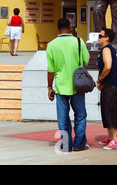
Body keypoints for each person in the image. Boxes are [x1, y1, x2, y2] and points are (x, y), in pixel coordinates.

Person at [46, 18, 90, 152]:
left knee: (63, 117)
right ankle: (79, 144)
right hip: (78, 84)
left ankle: (65, 144)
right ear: (70, 28)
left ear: (57, 28)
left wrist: (49, 87)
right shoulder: (78, 41)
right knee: (80, 115)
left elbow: (51, 70)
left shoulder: (51, 45)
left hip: (60, 86)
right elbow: (86, 61)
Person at [96, 28, 117, 150]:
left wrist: (100, 79)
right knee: (106, 110)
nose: (98, 38)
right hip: (108, 85)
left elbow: (107, 67)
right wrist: (100, 80)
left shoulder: (107, 49)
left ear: (107, 38)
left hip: (112, 85)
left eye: (100, 36)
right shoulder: (103, 50)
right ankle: (110, 137)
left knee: (111, 111)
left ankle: (116, 140)